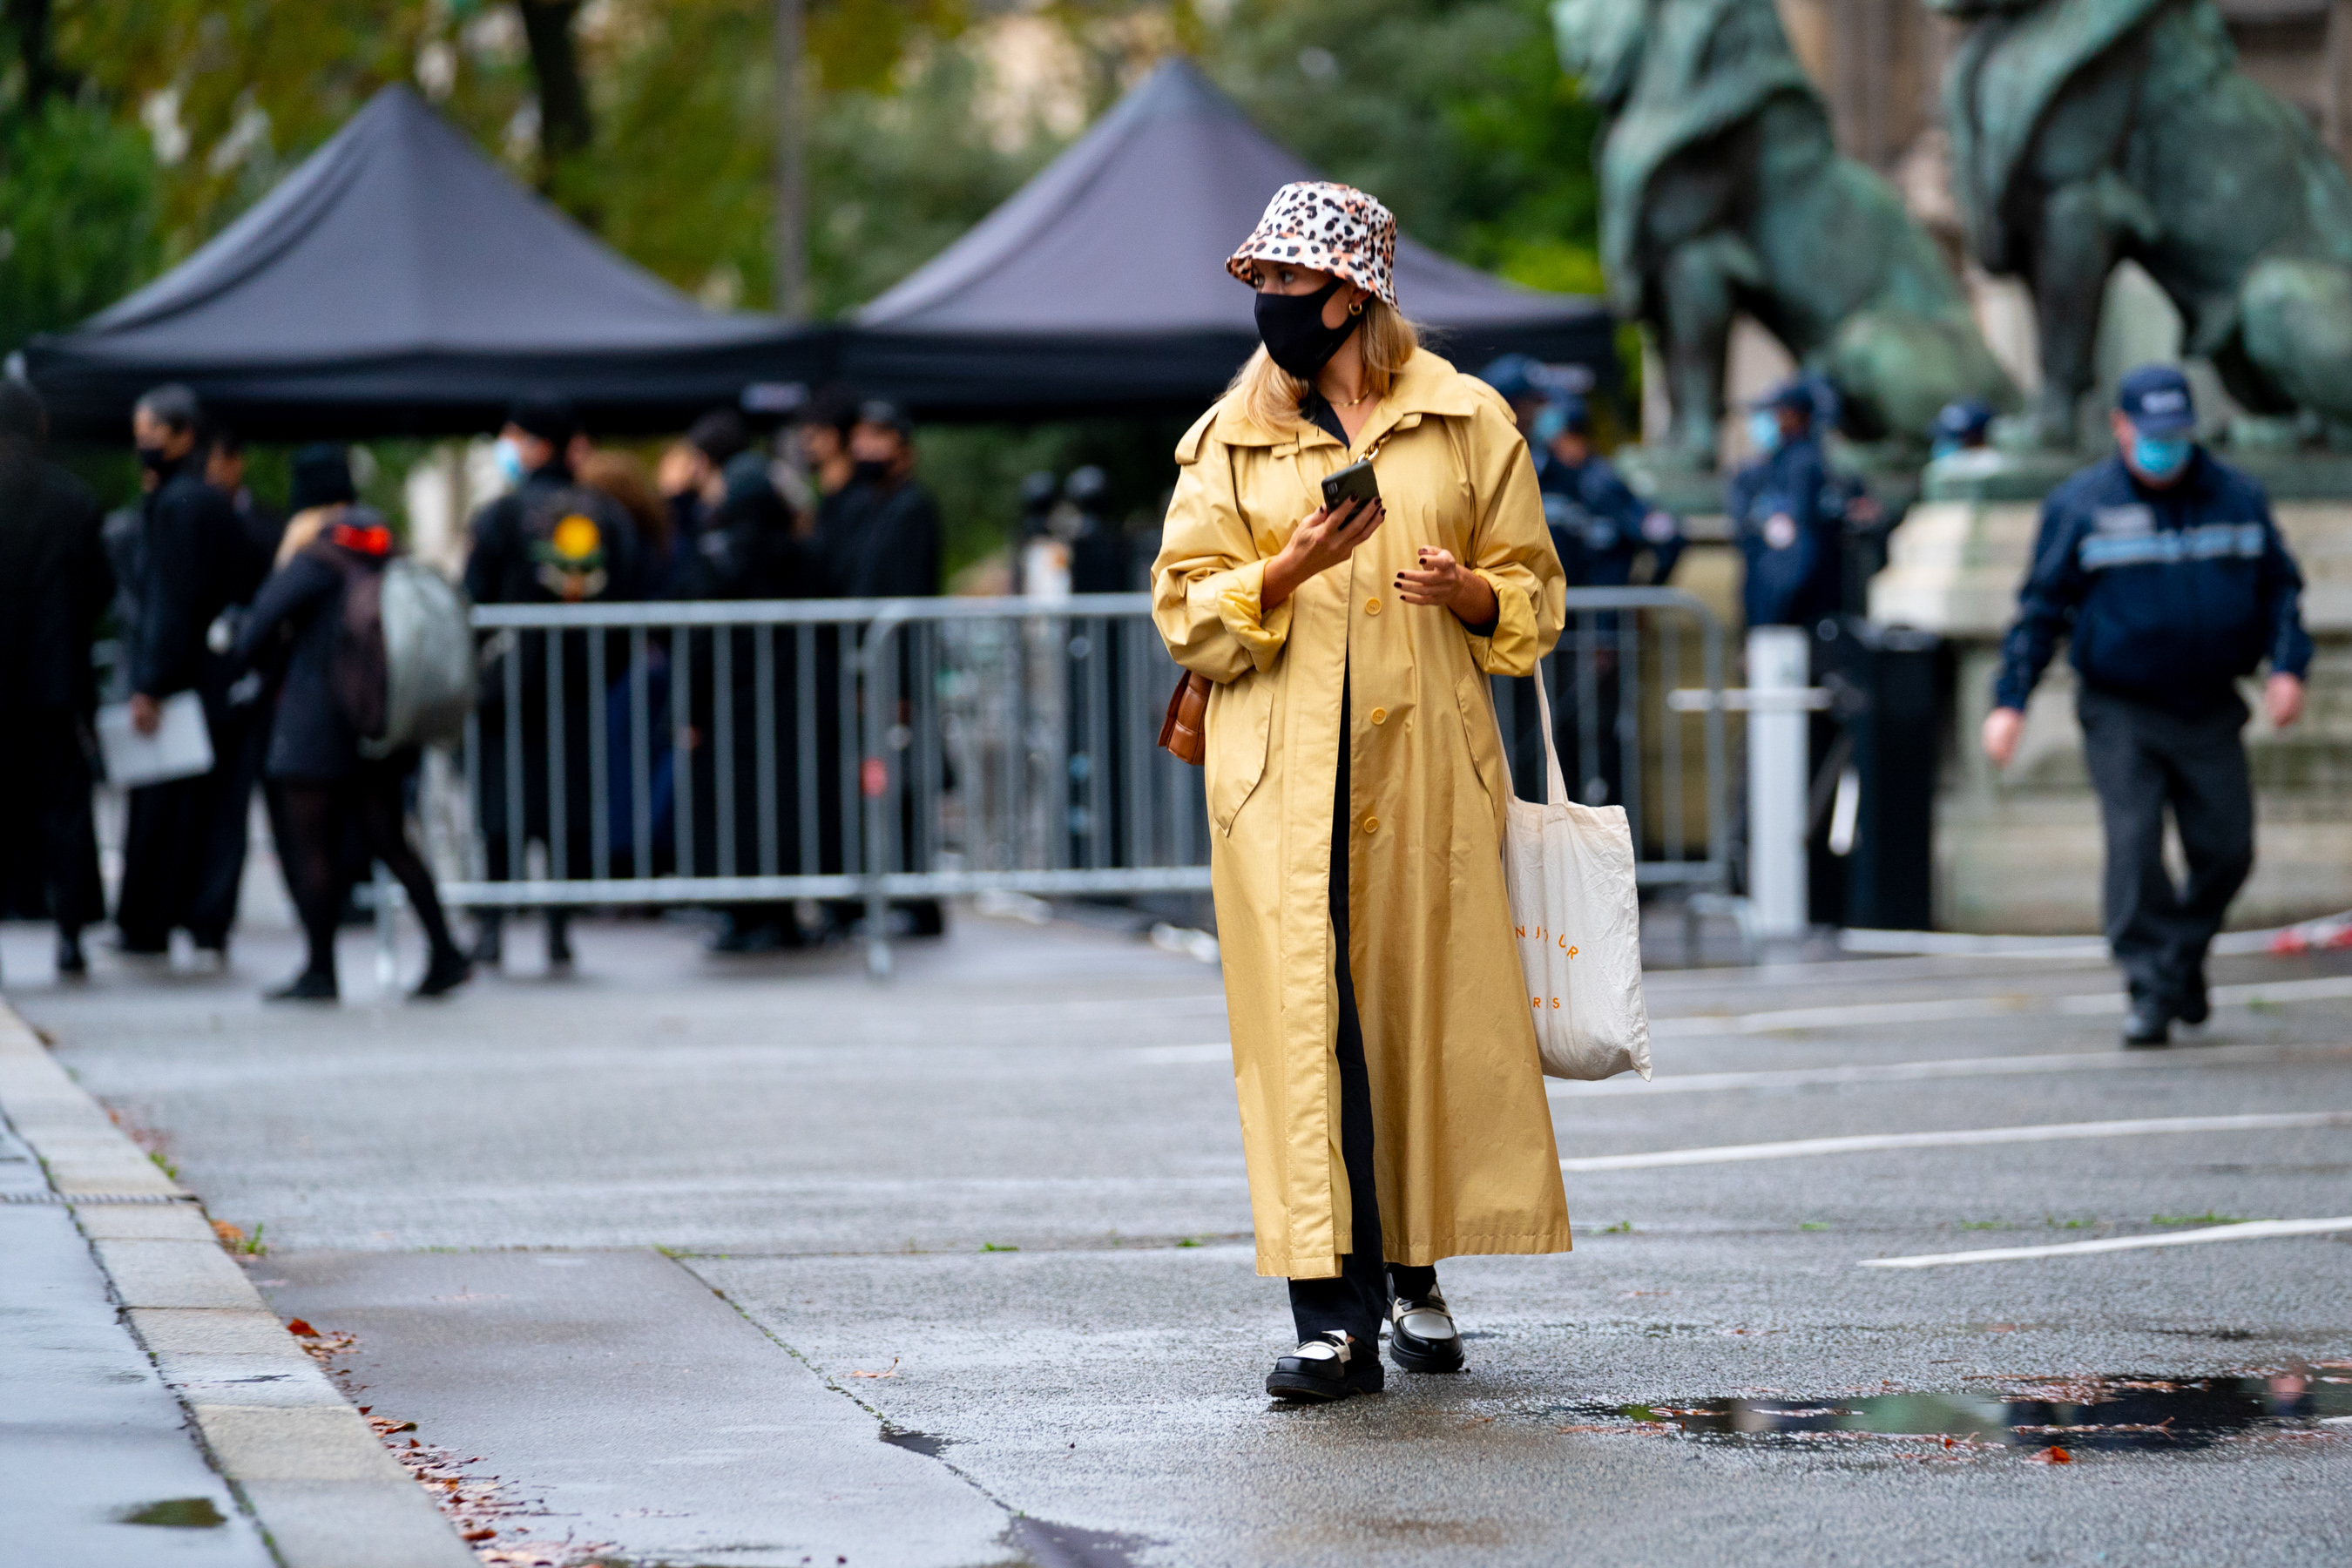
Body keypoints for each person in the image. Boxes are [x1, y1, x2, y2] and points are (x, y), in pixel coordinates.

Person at [1152, 181, 1573, 1402]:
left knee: (1420, 1029)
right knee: (1309, 1041)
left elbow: (1535, 593)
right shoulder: (1227, 435)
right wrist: (1280, 573)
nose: (1267, 306)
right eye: (1263, 286)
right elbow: (1183, 607)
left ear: (1352, 296)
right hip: (1282, 789)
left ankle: (1417, 1278)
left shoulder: (1468, 420)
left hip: (1428, 777)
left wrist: (1475, 595)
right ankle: (1328, 1318)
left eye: (1284, 285)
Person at [1984, 365, 2310, 1048]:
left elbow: (2281, 590)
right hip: (2121, 706)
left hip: (2210, 702)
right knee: (2134, 849)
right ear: (2120, 427)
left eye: (2177, 433)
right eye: (2151, 433)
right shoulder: (2082, 504)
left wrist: (2288, 669)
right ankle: (2149, 985)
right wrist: (2008, 701)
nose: (2165, 446)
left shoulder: (2237, 498)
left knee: (2227, 850)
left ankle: (2179, 956)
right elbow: (2039, 612)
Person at [229, 483, 471, 1003]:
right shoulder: (394, 562)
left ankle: (320, 969)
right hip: (384, 723)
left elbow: (255, 631)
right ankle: (446, 951)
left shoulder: (315, 562)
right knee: (390, 839)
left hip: (316, 724)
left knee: (312, 847)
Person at [463, 395, 643, 968]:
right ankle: (558, 930)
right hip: (578, 689)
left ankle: (492, 928)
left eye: (515, 437)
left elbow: (473, 596)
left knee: (501, 812)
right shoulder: (605, 515)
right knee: (565, 812)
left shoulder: (501, 515)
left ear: (539, 445)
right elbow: (629, 601)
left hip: (508, 690)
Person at [116, 384, 273, 965]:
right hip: (213, 680)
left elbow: (172, 602)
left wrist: (151, 680)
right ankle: (202, 919)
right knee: (212, 809)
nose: (144, 447)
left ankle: (157, 919)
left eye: (151, 434)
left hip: (188, 685)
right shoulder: (207, 504)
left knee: (171, 806)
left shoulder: (182, 506)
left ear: (183, 435)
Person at [670, 416, 835, 952]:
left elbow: (694, 634)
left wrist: (688, 709)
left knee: (737, 810)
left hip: (730, 705)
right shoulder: (796, 554)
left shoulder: (718, 555)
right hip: (785, 703)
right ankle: (777, 915)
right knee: (782, 806)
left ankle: (747, 915)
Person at [0, 380, 109, 978]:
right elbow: (100, 588)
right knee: (64, 810)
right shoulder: (72, 501)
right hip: (54, 681)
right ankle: (69, 934)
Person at [1531, 389, 1683, 807]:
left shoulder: (1603, 482)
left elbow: (1668, 536)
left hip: (1601, 637)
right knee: (1558, 737)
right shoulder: (1547, 479)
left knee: (1599, 734)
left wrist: (1642, 597)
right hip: (1559, 635)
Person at [1727, 377, 1876, 630]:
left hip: (1798, 610)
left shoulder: (1806, 464)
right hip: (1780, 604)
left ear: (1796, 416)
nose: (1771, 420)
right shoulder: (1771, 465)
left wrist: (1772, 615)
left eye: (1777, 412)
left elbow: (1796, 553)